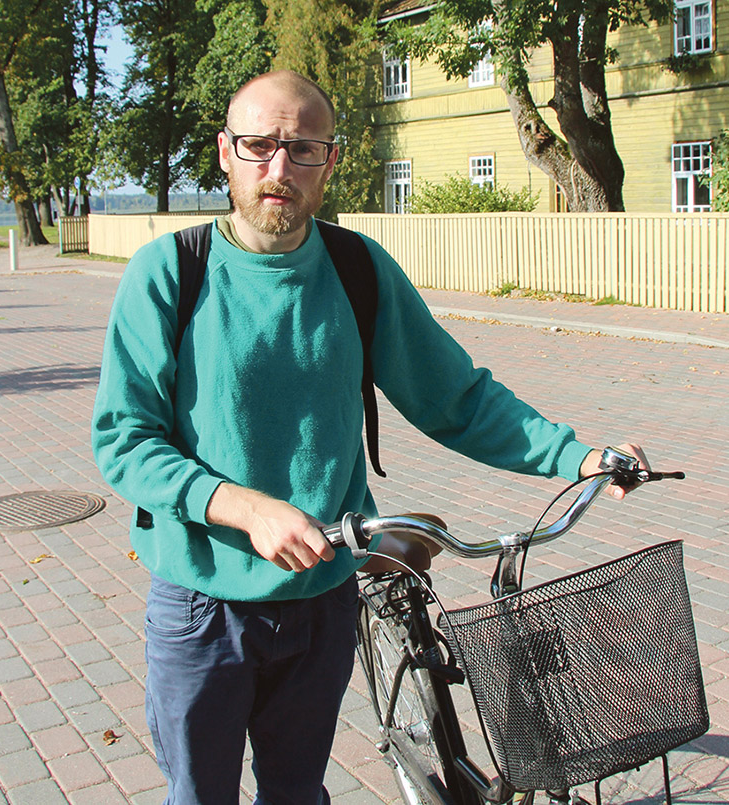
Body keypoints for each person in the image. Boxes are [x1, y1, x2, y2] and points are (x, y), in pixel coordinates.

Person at [91, 70, 647, 804]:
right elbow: (125, 440)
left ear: (331, 159)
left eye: (303, 148)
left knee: (297, 792)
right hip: (204, 603)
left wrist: (577, 456)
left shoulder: (358, 269)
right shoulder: (170, 273)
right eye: (259, 146)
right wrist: (247, 508)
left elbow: (457, 398)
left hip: (324, 596)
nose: (279, 168)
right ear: (226, 152)